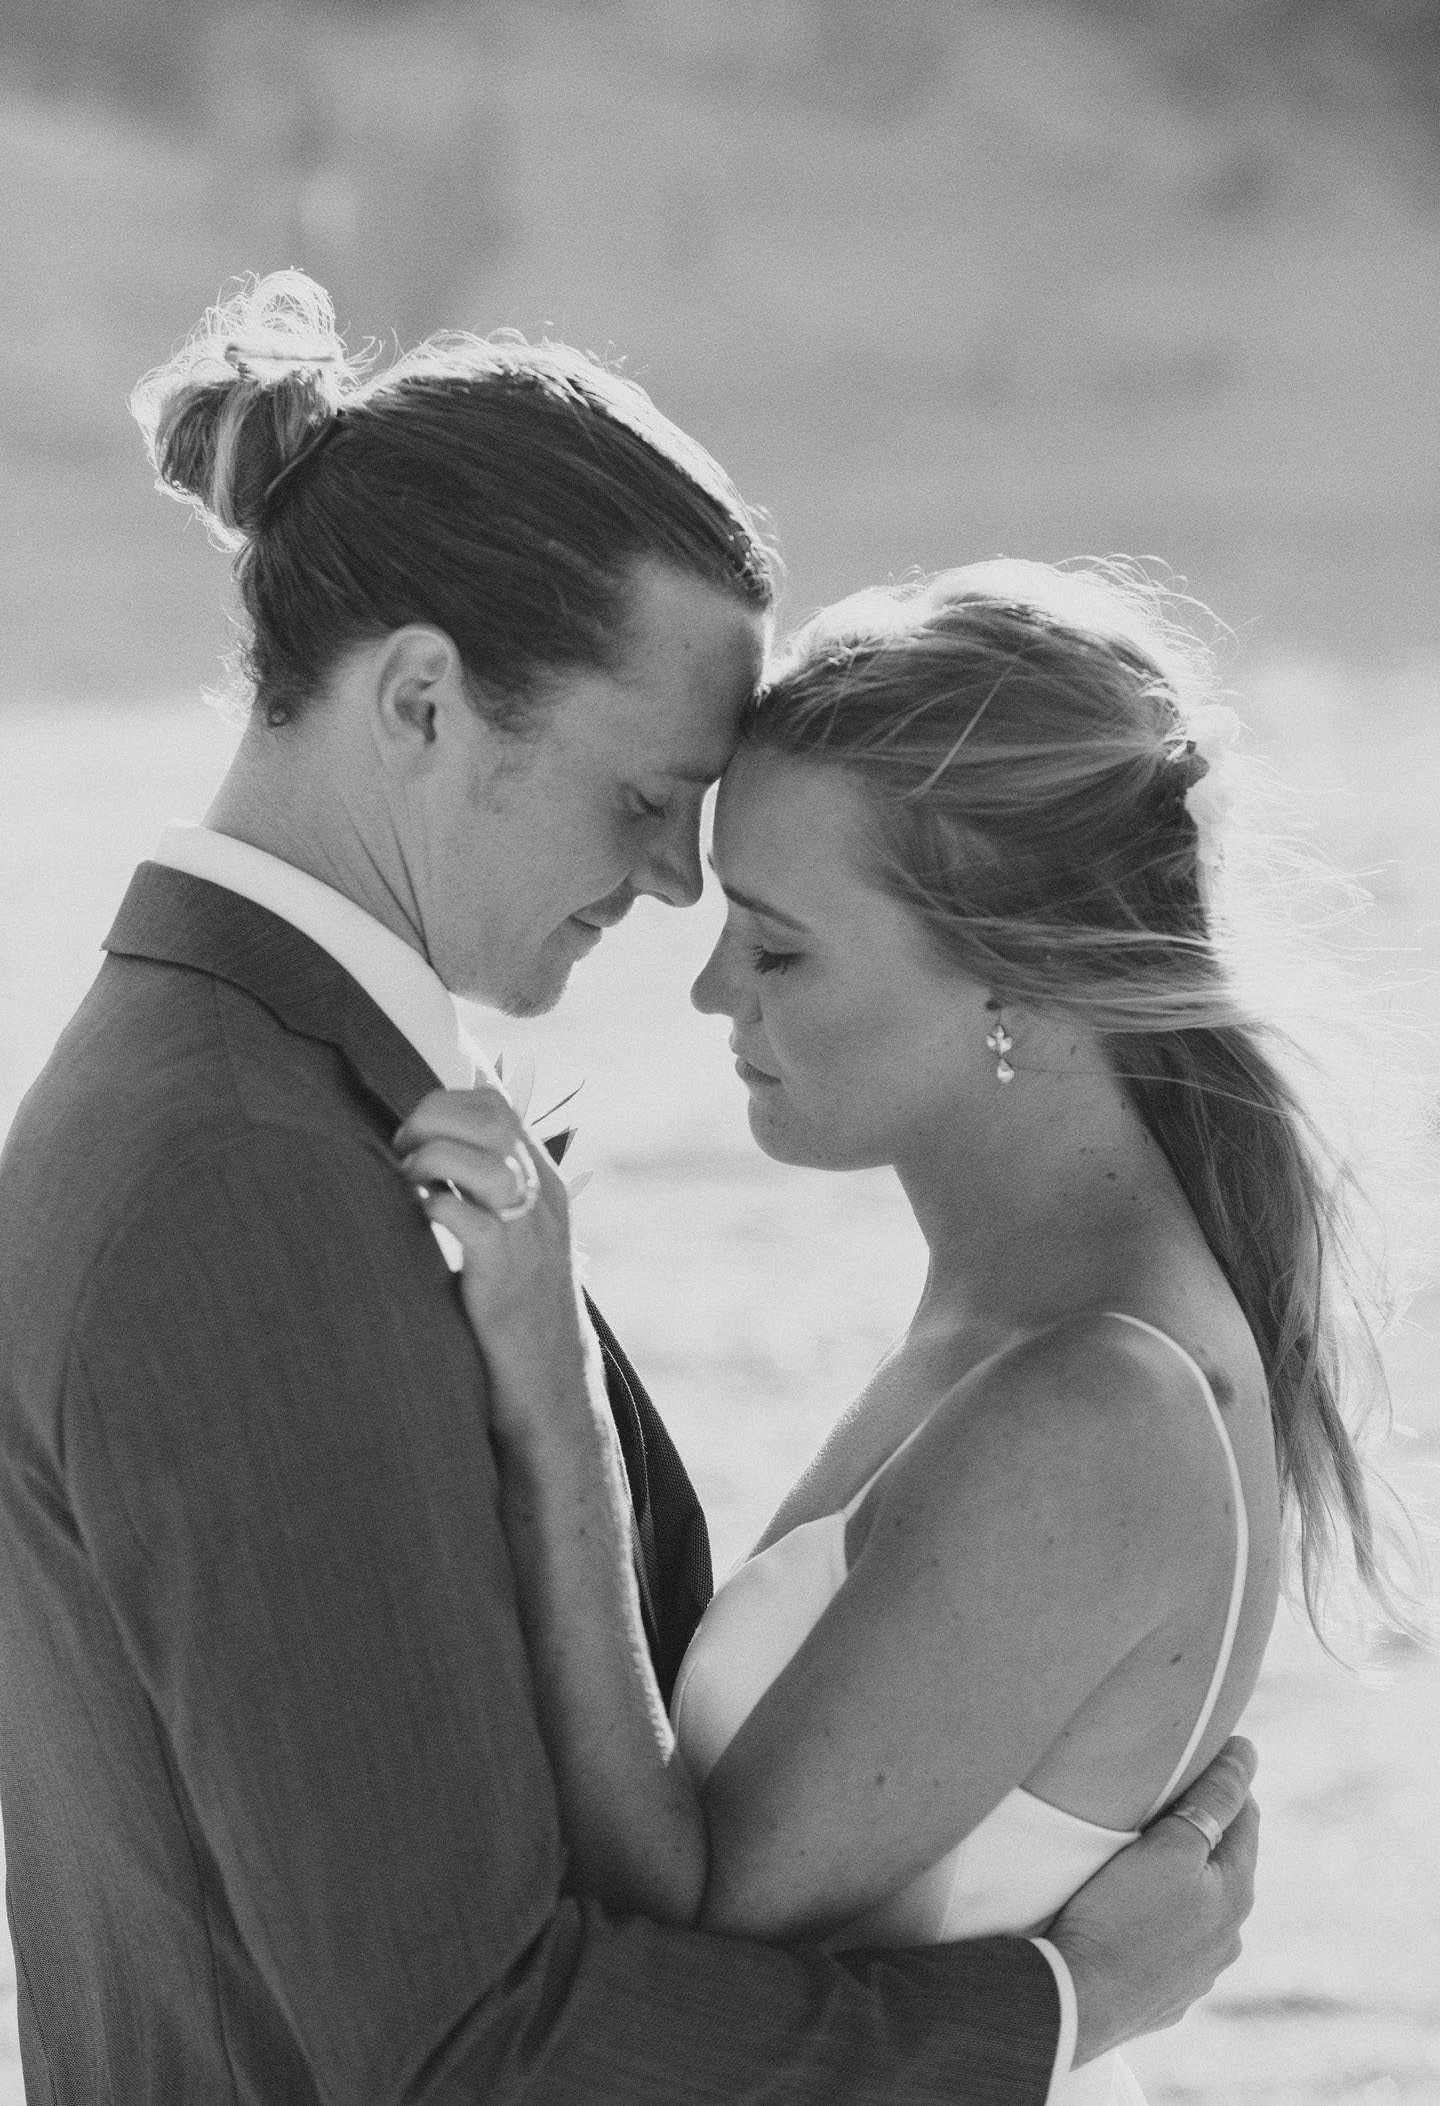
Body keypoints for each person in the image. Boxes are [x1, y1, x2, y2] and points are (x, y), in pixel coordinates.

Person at [0, 274, 1256, 2106]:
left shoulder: (270, 1098)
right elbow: (459, 2048)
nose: (681, 885)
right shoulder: (235, 1175)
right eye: (644, 796)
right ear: (424, 700)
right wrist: (1061, 2008)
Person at [397, 562, 1410, 2103]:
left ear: (1014, 967)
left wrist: (550, 1390)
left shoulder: (1096, 1402)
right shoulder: (1018, 1306)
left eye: (779, 946)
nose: (711, 987)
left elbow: (688, 1932)